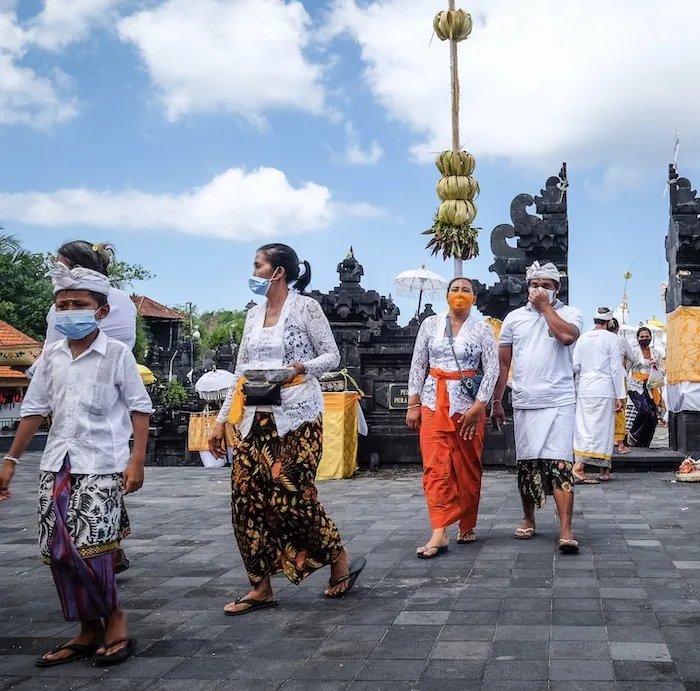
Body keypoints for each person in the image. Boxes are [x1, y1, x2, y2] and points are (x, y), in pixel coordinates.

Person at [0, 262, 152, 667]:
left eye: (78, 304)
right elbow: (33, 410)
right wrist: (11, 459)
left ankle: (115, 618)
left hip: (102, 463)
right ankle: (88, 629)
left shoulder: (117, 354)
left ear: (101, 311)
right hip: (57, 463)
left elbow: (140, 409)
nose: (70, 310)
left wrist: (137, 461)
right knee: (59, 551)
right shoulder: (51, 356)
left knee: (93, 550)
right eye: (62, 305)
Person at [208, 243, 365, 615]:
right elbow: (241, 370)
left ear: (277, 271)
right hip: (253, 417)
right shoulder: (252, 315)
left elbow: (332, 356)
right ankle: (259, 587)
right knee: (245, 500)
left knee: (291, 495)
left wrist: (300, 369)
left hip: (296, 417)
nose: (254, 271)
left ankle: (337, 555)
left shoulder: (305, 307)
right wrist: (219, 421)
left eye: (258, 265)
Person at [31, 241, 137, 574]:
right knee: (104, 478)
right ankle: (107, 544)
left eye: (60, 266)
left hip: (81, 401)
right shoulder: (120, 300)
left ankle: (94, 553)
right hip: (112, 403)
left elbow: (54, 350)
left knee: (84, 483)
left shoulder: (65, 307)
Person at [491, 261, 583, 554]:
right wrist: (497, 401)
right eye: (534, 284)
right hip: (526, 400)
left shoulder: (569, 313)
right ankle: (529, 518)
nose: (539, 289)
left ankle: (566, 529)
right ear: (527, 286)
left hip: (559, 400)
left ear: (557, 289)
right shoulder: (514, 319)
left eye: (546, 285)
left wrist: (546, 309)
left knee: (560, 463)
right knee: (527, 464)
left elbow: (567, 337)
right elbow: (503, 364)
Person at [406, 278, 498, 558]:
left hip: (468, 407)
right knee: (435, 468)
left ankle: (466, 523)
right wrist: (413, 403)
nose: (460, 294)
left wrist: (480, 406)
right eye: (455, 289)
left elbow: (492, 369)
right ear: (447, 295)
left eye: (466, 290)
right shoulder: (430, 325)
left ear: (474, 297)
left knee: (467, 467)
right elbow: (419, 362)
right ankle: (439, 531)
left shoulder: (483, 329)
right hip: (433, 402)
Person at [572, 308, 626, 484]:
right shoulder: (612, 339)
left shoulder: (582, 338)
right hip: (604, 388)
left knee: (585, 427)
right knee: (601, 430)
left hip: (585, 388)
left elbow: (575, 366)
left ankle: (604, 469)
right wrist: (620, 394)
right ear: (609, 322)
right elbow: (616, 369)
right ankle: (579, 467)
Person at [627, 326, 665, 447]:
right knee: (644, 411)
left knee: (653, 416)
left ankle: (644, 443)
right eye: (642, 337)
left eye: (646, 336)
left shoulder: (656, 353)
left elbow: (662, 371)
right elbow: (626, 369)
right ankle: (632, 434)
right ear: (637, 338)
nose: (644, 338)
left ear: (651, 338)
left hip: (650, 385)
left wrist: (656, 367)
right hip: (635, 385)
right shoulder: (633, 352)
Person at [607, 317, 638, 455]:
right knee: (620, 409)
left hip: (602, 379)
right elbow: (633, 359)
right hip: (619, 377)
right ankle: (620, 443)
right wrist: (625, 368)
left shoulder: (597, 339)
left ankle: (606, 442)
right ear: (617, 329)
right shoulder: (622, 340)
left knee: (605, 409)